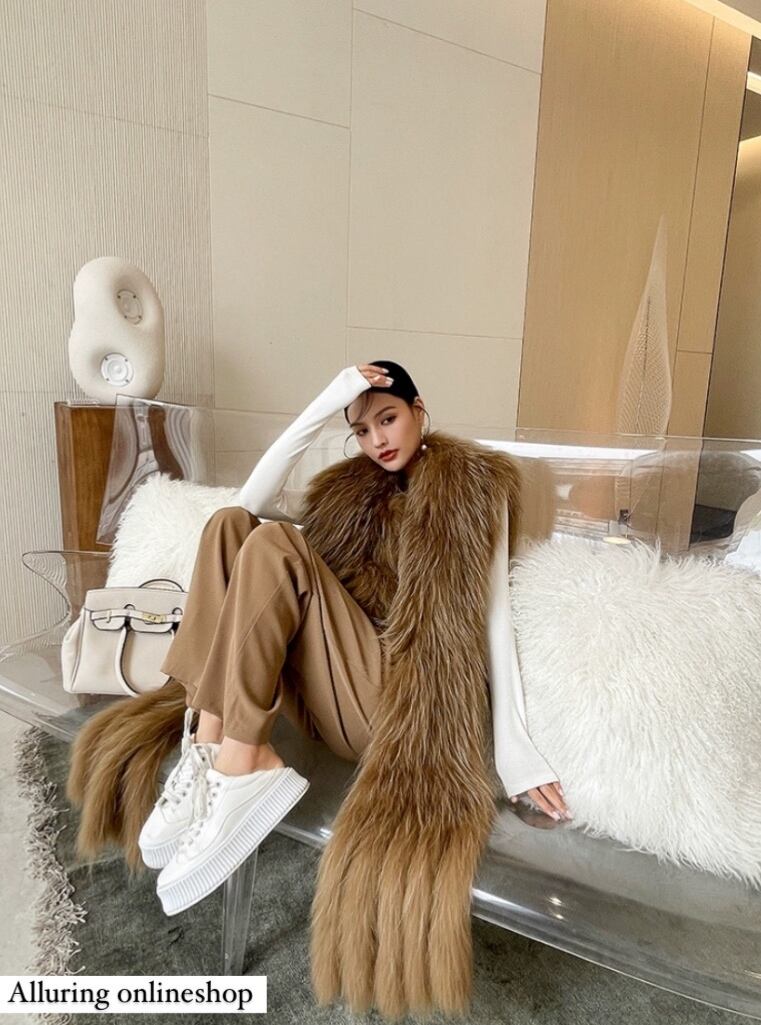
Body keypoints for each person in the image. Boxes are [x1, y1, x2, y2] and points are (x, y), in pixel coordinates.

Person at [67, 359, 569, 1016]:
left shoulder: (472, 486)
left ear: (419, 410)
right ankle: (211, 744)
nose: (377, 439)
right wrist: (325, 401)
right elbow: (245, 503)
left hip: (396, 702)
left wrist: (516, 757)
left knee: (275, 544)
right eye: (360, 429)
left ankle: (244, 759)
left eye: (387, 418)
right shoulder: (349, 491)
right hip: (332, 690)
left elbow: (494, 616)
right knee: (229, 527)